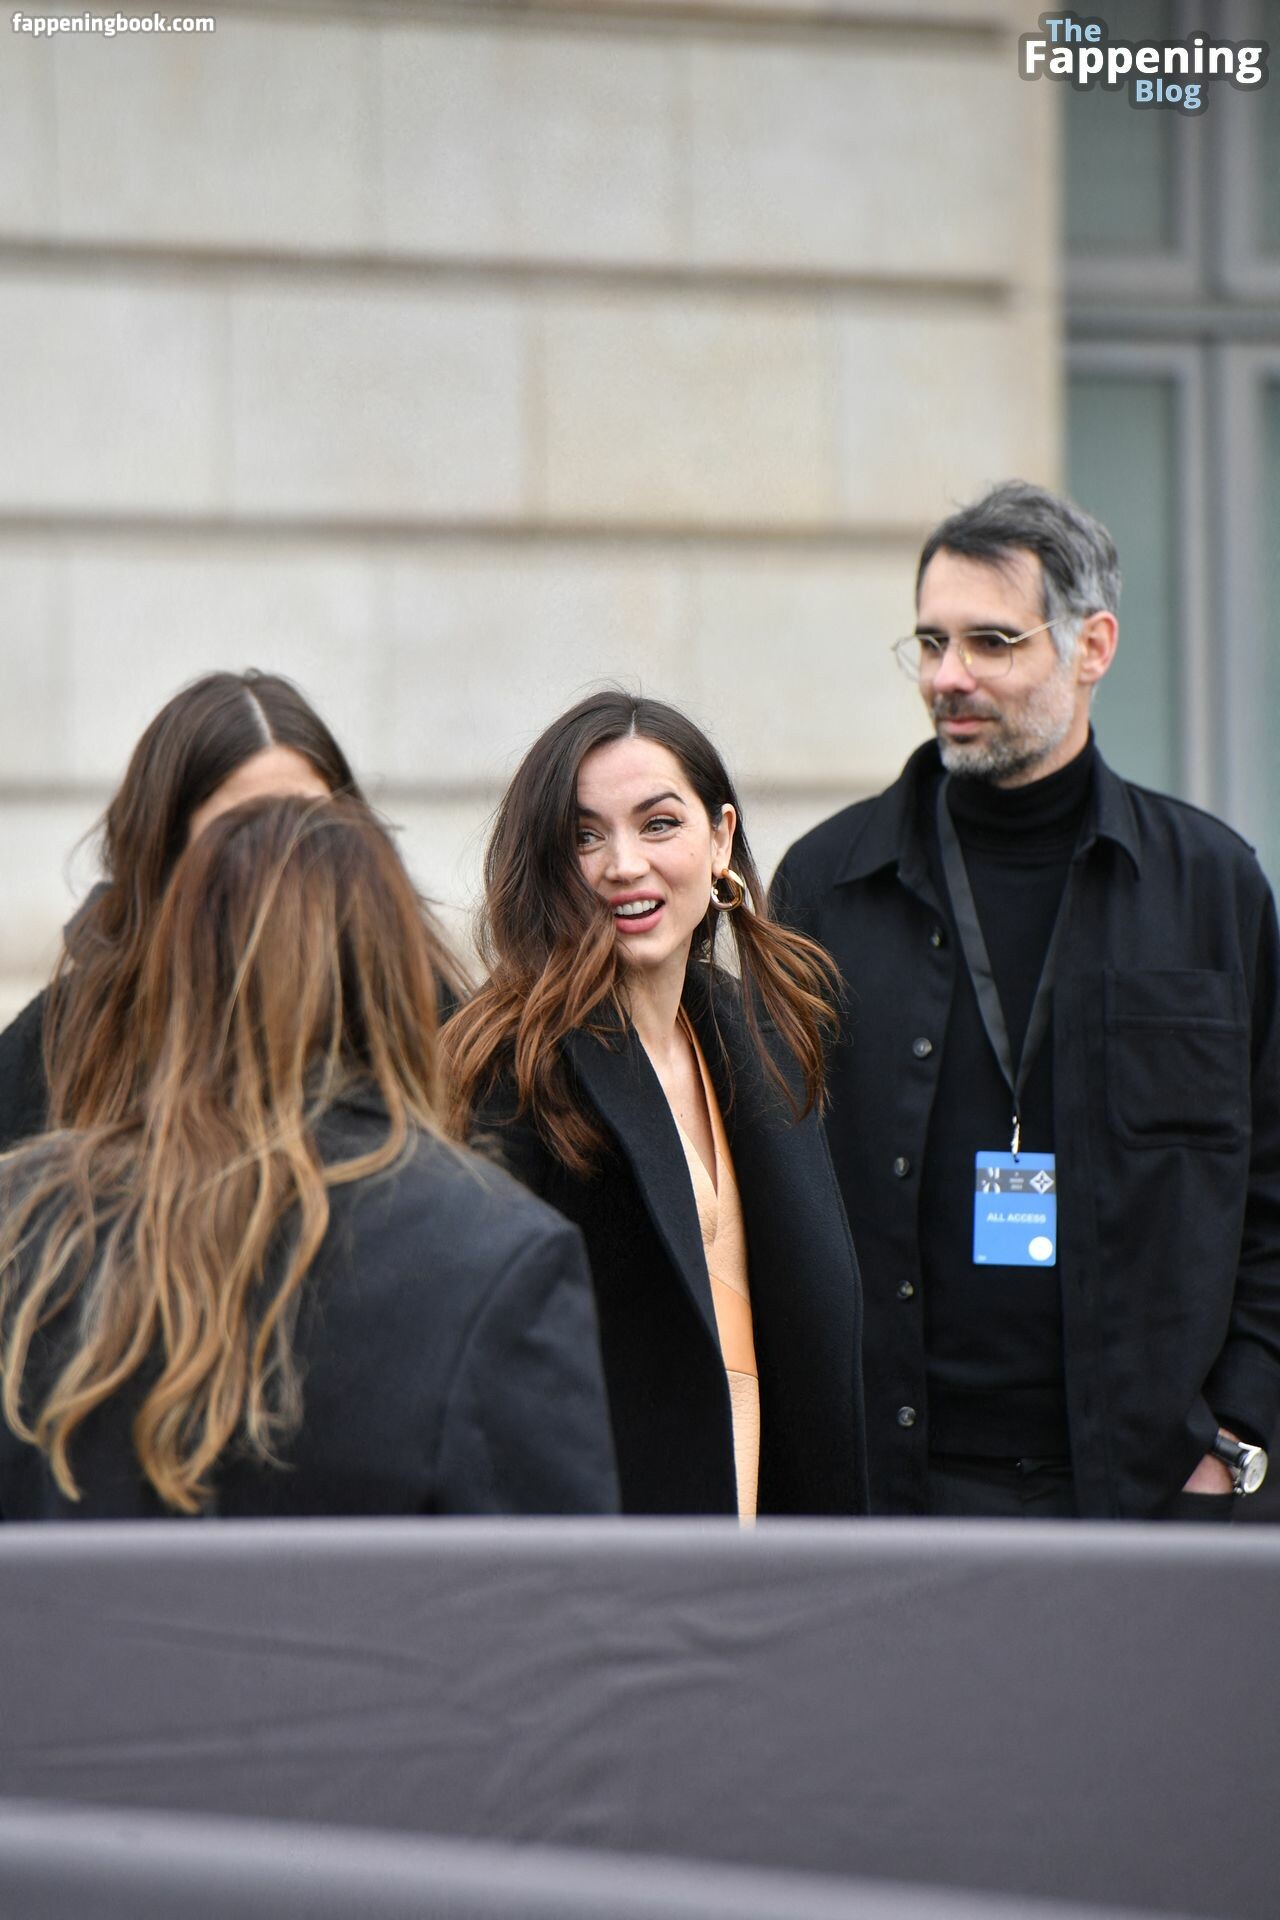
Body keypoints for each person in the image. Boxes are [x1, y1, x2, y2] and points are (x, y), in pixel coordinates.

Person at [771, 480, 1280, 1520]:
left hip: (1152, 1497)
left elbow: (1272, 1183)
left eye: (991, 643)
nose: (947, 677)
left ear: (1092, 647)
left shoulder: (1211, 887)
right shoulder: (825, 886)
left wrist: (1234, 1431)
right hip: (890, 1495)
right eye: (930, 642)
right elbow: (771, 1194)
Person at [0, 796, 619, 1520]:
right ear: (397, 973)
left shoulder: (28, 1219)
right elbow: (557, 1578)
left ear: (176, 973)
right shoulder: (502, 1251)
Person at [446, 691, 868, 1519]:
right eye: (585, 836)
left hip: (774, 1539)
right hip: (611, 1551)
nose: (624, 864)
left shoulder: (762, 1038)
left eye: (659, 824)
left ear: (721, 838)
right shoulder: (511, 1067)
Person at [0, 669, 467, 1153]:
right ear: (165, 851)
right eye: (240, 830)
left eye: (309, 823)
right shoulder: (65, 1037)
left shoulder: (421, 1002)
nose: (278, 857)